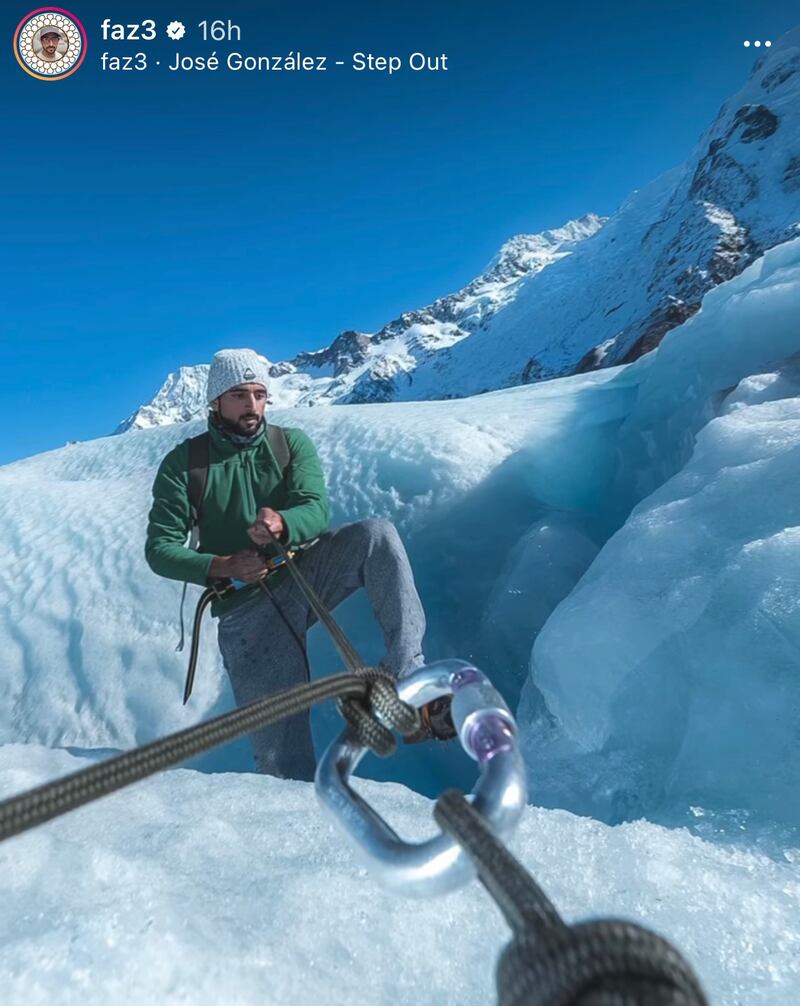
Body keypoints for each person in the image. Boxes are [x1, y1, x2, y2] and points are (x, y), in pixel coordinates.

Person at [145, 348, 427, 780]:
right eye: (240, 395)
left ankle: (409, 677)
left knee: (376, 535)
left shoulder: (289, 444)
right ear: (215, 400)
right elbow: (160, 549)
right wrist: (225, 565)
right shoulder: (185, 465)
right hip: (244, 611)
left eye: (260, 394)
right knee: (283, 766)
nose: (253, 406)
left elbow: (315, 508)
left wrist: (284, 522)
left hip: (303, 571)